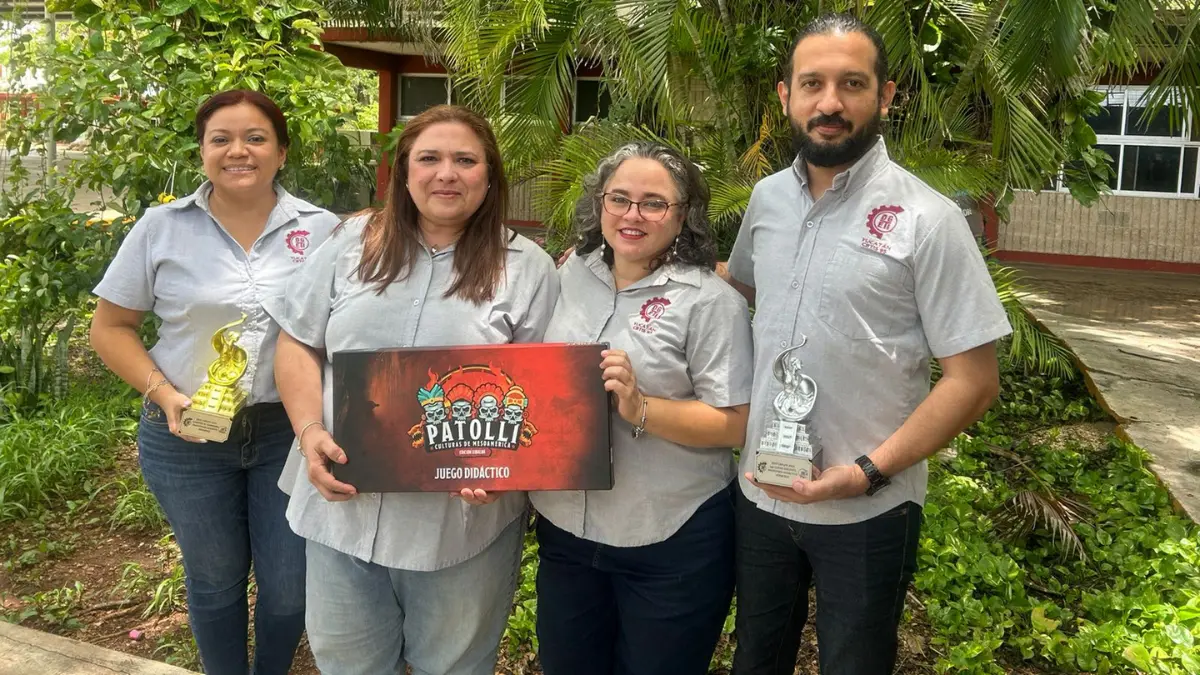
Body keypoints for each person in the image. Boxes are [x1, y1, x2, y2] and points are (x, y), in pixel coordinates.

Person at [717, 13, 1012, 675]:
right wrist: (623, 269)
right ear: (784, 96)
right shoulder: (766, 201)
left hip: (869, 505)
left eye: (851, 83)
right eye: (812, 83)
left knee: (854, 662)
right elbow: (735, 291)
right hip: (762, 492)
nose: (829, 103)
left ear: (886, 95)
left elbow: (974, 379)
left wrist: (867, 471)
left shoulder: (928, 219)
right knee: (754, 660)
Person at [269, 104, 559, 675]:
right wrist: (308, 432)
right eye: (429, 158)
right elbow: (298, 342)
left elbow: (545, 396)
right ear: (403, 173)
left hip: (459, 529)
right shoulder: (352, 242)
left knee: (452, 667)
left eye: (464, 160)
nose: (445, 173)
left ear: (490, 175)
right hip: (341, 511)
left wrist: (510, 469)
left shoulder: (528, 268)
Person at [90, 89, 339, 675]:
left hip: (290, 431)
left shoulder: (324, 230)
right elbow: (111, 328)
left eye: (256, 138)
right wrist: (166, 395)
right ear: (202, 151)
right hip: (186, 436)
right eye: (220, 139)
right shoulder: (161, 227)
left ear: (281, 152)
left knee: (289, 584)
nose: (238, 151)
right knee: (214, 578)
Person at [530, 142, 753, 675]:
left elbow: (736, 422)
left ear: (684, 217)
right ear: (599, 204)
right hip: (567, 531)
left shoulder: (710, 302)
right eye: (620, 198)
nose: (632, 214)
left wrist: (640, 406)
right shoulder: (567, 275)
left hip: (671, 539)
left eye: (654, 203)